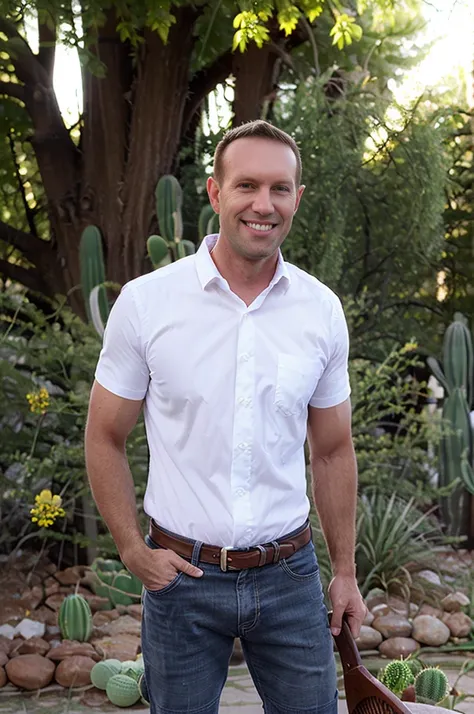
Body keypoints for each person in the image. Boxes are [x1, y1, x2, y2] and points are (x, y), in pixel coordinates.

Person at [85, 119, 366, 714]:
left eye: (280, 189)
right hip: (180, 580)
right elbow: (105, 436)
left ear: (297, 198)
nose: (263, 204)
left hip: (289, 577)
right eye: (246, 186)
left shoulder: (321, 311)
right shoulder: (146, 303)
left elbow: (334, 450)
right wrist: (132, 549)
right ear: (215, 193)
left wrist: (345, 571)